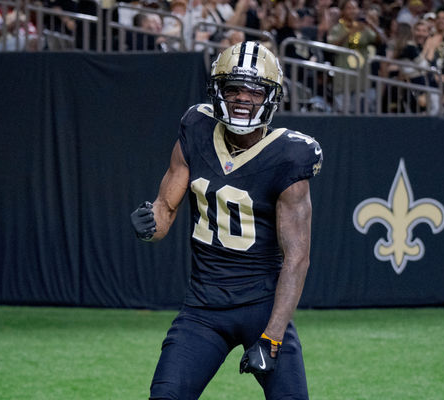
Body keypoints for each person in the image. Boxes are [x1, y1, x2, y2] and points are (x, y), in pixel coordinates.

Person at [131, 41, 322, 400]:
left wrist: (273, 336)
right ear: (217, 91)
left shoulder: (289, 155)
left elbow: (296, 259)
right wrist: (148, 225)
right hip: (204, 307)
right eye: (233, 88)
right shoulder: (197, 128)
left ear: (271, 96)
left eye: (254, 90)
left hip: (262, 308)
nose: (242, 98)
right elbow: (164, 211)